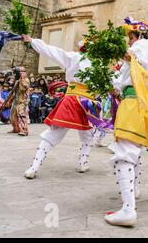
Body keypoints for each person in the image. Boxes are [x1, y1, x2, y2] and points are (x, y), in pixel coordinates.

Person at [104, 17, 148, 227]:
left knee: (123, 153)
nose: (129, 41)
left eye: (130, 37)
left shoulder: (142, 46)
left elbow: (135, 60)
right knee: (133, 151)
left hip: (135, 102)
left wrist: (114, 52)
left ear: (139, 35)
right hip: (147, 103)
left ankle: (127, 209)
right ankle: (135, 191)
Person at [20, 35, 95, 179]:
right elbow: (52, 51)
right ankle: (34, 167)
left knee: (88, 134)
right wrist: (34, 42)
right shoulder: (75, 57)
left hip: (88, 101)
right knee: (54, 132)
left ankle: (83, 162)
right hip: (74, 99)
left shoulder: (100, 64)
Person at [9, 67, 30, 136]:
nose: (14, 75)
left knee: (21, 115)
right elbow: (14, 91)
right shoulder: (17, 80)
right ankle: (16, 128)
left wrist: (21, 79)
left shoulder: (26, 80)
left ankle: (24, 130)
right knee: (13, 116)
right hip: (16, 100)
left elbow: (23, 88)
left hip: (23, 101)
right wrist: (9, 100)